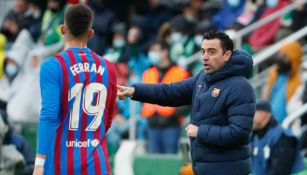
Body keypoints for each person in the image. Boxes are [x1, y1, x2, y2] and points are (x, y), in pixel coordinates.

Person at [118, 29, 256, 175]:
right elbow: (171, 91)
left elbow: (239, 132)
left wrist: (200, 131)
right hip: (203, 168)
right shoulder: (202, 77)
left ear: (227, 55)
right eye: (203, 51)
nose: (205, 57)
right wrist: (135, 91)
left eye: (212, 52)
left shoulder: (240, 87)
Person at [33, 4, 117, 175]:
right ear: (91, 33)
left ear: (63, 29)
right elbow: (108, 117)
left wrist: (39, 162)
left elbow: (49, 114)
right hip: (96, 164)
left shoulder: (52, 66)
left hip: (60, 165)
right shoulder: (109, 68)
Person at [143, 40, 190, 154]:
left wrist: (174, 114)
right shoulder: (148, 73)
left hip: (171, 125)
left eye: (155, 50)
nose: (151, 53)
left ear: (165, 52)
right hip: (152, 124)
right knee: (154, 164)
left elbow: (189, 99)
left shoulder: (181, 72)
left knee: (170, 162)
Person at [251, 100, 305, 175]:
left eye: (250, 114)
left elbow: (279, 172)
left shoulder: (284, 138)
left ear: (262, 115)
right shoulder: (254, 136)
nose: (246, 118)